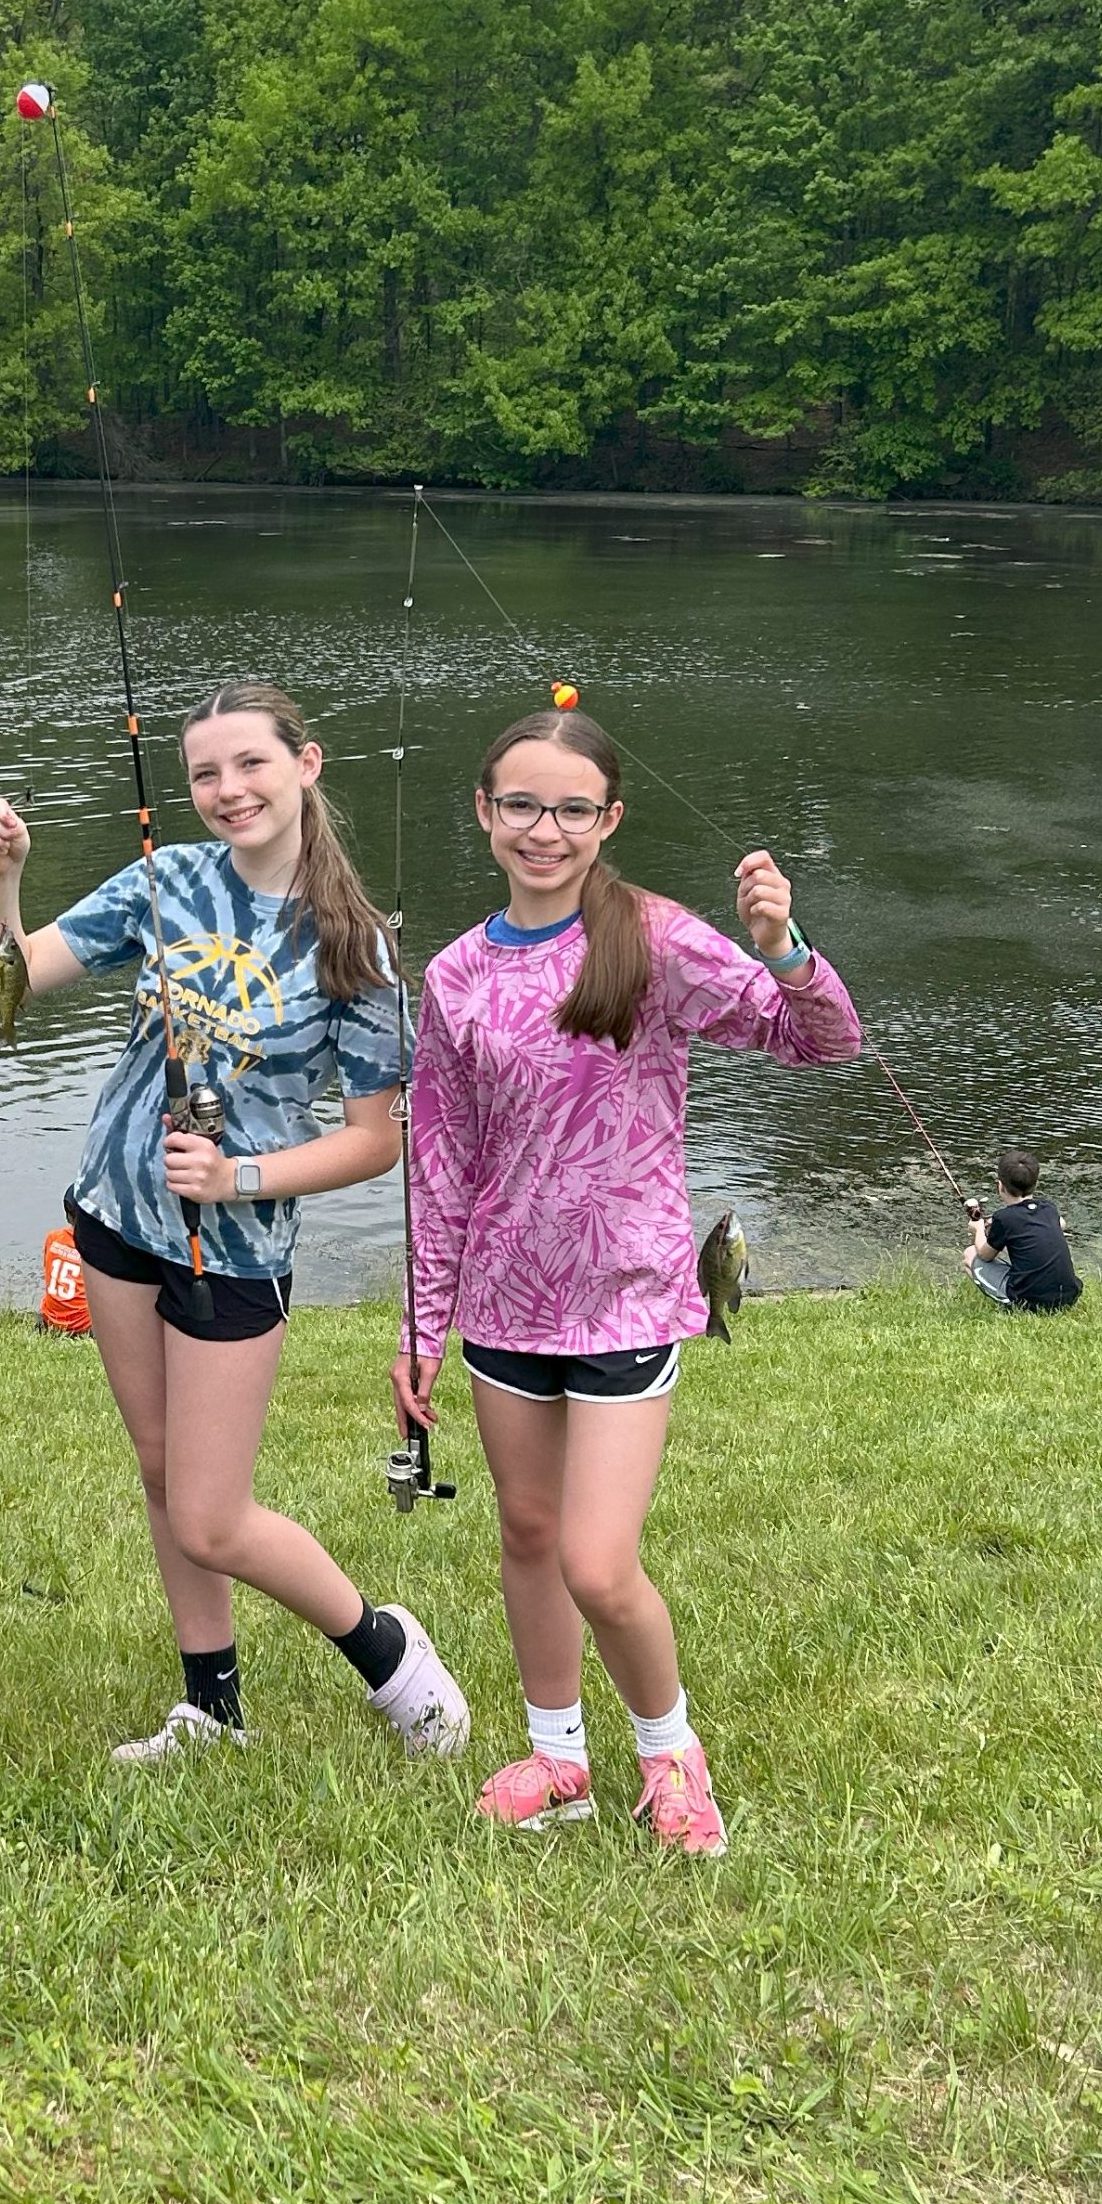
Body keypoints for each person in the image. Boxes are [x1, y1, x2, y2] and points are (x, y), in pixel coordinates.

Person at [0, 680, 471, 1762]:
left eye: (249, 764)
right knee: (160, 1475)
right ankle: (212, 1709)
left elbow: (377, 1139)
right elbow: (2, 981)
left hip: (235, 1248)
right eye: (204, 772)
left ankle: (386, 1650)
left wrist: (240, 1177)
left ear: (306, 764)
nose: (226, 789)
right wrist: (1, 881)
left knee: (211, 1512)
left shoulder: (357, 946)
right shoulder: (164, 878)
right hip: (114, 1214)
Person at [398, 705, 863, 1855]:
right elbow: (442, 1158)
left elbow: (824, 1043)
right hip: (503, 1305)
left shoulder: (649, 938)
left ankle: (670, 1755)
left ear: (607, 819)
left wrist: (782, 947)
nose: (541, 830)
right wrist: (421, 1324)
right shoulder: (455, 975)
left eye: (568, 809)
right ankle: (559, 1759)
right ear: (483, 811)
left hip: (623, 1294)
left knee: (599, 1564)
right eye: (519, 805)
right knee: (524, 1533)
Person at [964, 1148, 1081, 1311]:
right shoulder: (1049, 1208)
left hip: (1029, 1301)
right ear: (1036, 1183)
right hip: (1069, 1296)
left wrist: (977, 1229)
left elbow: (985, 1254)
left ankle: (1010, 1305)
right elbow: (1061, 1224)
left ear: (1000, 1186)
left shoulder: (1004, 1218)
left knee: (970, 1254)